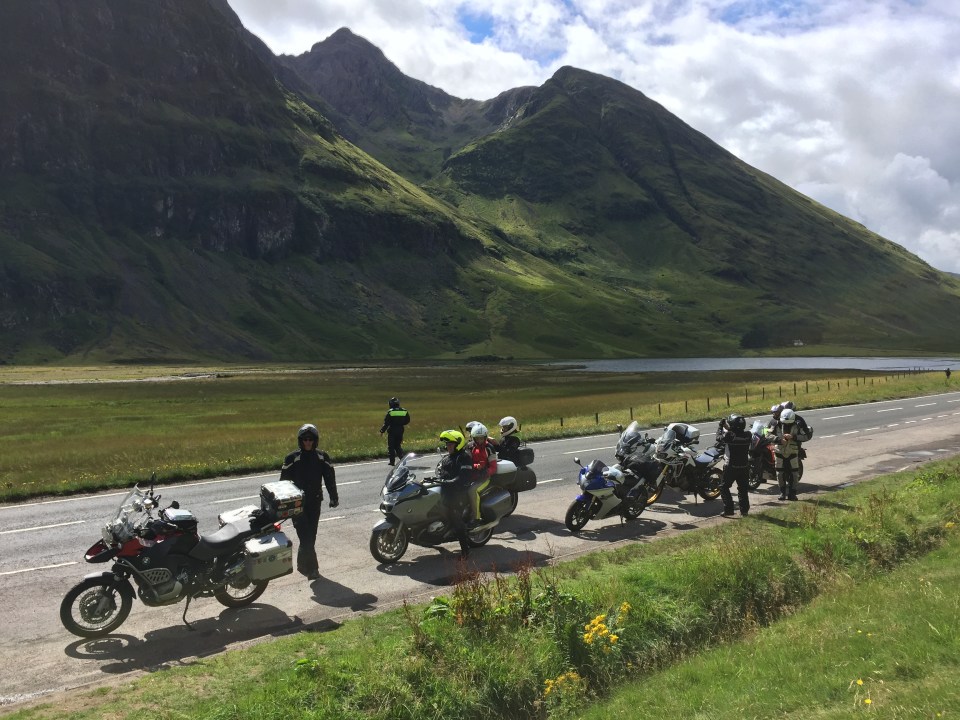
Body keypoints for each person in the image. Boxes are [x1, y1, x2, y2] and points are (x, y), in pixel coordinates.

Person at [280, 423, 339, 580]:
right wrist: (283, 505)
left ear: (315, 440)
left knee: (310, 536)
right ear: (300, 440)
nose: (308, 442)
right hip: (297, 505)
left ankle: (303, 565)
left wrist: (334, 496)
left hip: (315, 502)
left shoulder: (322, 457)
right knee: (306, 537)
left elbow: (329, 478)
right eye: (305, 439)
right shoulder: (292, 458)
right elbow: (283, 483)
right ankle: (313, 569)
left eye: (310, 439)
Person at [435, 429, 476, 559]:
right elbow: (441, 473)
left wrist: (449, 482)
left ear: (458, 444)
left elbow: (463, 478)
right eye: (447, 444)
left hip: (460, 492)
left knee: (455, 517)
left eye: (451, 444)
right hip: (448, 490)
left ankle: (465, 551)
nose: (448, 446)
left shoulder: (464, 457)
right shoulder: (447, 458)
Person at [718, 414, 753, 517]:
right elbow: (736, 433)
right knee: (743, 489)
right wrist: (729, 428)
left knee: (724, 487)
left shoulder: (729, 436)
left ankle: (729, 510)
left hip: (731, 467)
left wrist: (720, 426)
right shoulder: (748, 435)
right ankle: (744, 511)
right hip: (744, 466)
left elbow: (719, 437)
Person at [466, 423, 496, 525]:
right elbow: (467, 462)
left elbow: (493, 467)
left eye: (481, 438)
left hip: (484, 477)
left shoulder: (489, 448)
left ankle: (476, 518)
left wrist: (485, 472)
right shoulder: (470, 447)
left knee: (472, 491)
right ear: (473, 438)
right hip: (471, 475)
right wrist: (475, 466)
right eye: (477, 438)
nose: (479, 441)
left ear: (485, 437)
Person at [774, 408, 802, 501]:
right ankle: (782, 493)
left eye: (789, 423)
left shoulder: (798, 424)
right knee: (779, 474)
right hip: (779, 452)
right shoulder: (775, 424)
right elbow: (767, 434)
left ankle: (792, 494)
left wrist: (793, 437)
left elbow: (805, 436)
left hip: (792, 452)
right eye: (785, 423)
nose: (787, 424)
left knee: (794, 474)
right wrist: (779, 440)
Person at [379, 397, 410, 465]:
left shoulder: (390, 412)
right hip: (400, 430)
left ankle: (392, 462)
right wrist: (401, 424)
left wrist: (382, 431)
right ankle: (402, 459)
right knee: (398, 445)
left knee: (391, 446)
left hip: (392, 430)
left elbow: (386, 423)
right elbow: (407, 420)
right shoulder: (404, 411)